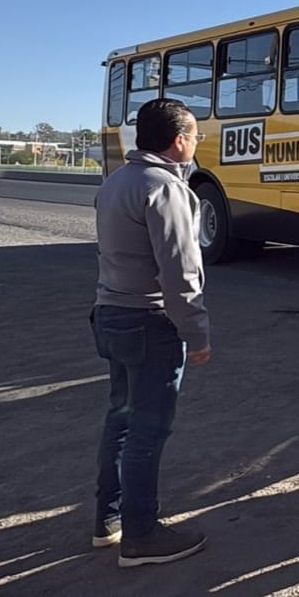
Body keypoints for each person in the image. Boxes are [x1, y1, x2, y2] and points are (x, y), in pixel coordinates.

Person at [91, 98, 211, 567]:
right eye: (196, 136)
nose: (197, 143)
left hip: (110, 314)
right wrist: (197, 333)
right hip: (149, 322)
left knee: (120, 418)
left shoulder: (116, 181)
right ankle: (141, 535)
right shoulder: (166, 189)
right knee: (149, 429)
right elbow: (180, 273)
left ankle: (110, 519)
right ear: (178, 140)